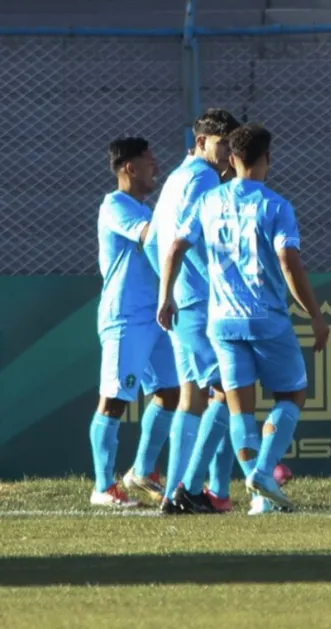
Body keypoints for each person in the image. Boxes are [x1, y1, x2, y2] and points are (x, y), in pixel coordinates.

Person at [158, 123, 329, 514]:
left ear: (231, 160)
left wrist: (165, 297)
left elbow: (174, 247)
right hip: (265, 317)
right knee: (292, 395)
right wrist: (315, 314)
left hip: (221, 321)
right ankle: (263, 473)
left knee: (238, 408)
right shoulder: (276, 205)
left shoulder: (209, 201)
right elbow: (289, 260)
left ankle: (258, 500)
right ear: (267, 159)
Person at [143, 108, 241, 514]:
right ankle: (193, 488)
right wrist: (203, 285)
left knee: (192, 397)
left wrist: (167, 290)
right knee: (227, 391)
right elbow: (181, 243)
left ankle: (179, 494)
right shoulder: (202, 179)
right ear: (202, 142)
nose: (228, 154)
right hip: (200, 304)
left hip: (181, 303)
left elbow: (153, 244)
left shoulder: (175, 180)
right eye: (222, 145)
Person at [91, 137, 180, 508]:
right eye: (149, 161)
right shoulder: (116, 206)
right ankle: (103, 488)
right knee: (114, 400)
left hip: (157, 316)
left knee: (171, 392)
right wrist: (181, 197)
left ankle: (142, 471)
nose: (156, 167)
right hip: (125, 317)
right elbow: (152, 237)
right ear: (129, 167)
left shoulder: (145, 208)